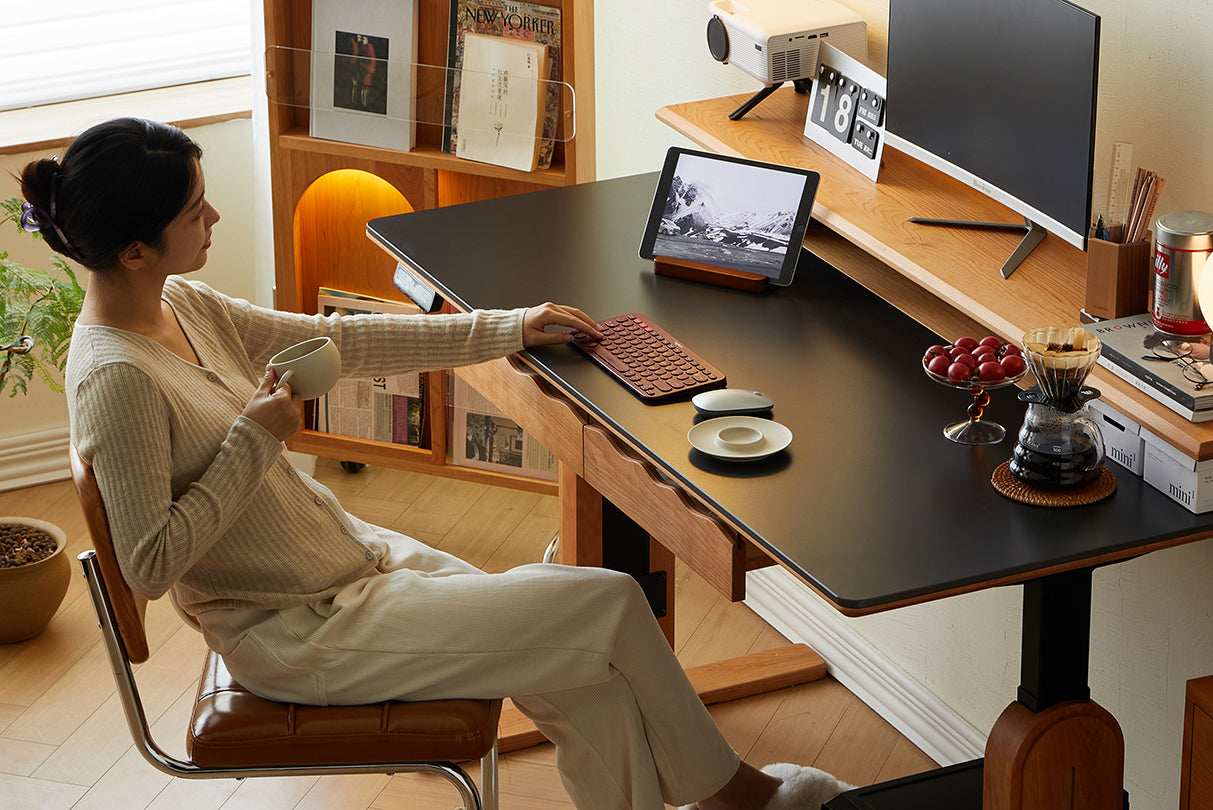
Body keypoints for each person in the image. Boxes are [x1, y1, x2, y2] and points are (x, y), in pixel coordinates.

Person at [25, 117, 853, 810]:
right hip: (298, 632)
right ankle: (742, 798)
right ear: (135, 251)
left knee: (585, 673)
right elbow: (149, 564)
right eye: (195, 212)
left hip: (354, 565)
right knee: (609, 602)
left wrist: (510, 326)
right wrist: (255, 437)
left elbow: (341, 340)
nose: (215, 221)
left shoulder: (180, 303)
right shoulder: (117, 380)